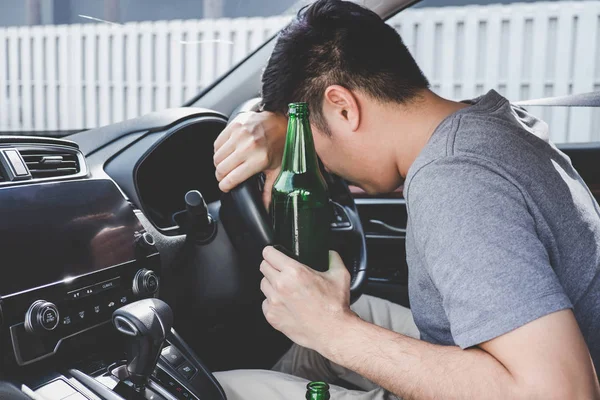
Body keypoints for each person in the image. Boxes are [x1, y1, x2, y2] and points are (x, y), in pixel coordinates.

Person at [211, 0, 600, 398]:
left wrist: (335, 330)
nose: (319, 175)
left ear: (344, 108)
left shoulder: (454, 181)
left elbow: (563, 393)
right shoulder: (492, 124)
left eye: (313, 155)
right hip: (498, 355)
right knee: (317, 333)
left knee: (220, 388)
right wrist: (282, 122)